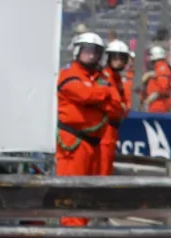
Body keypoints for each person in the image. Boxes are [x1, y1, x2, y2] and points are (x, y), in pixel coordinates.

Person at [56, 32, 120, 225]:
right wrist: (103, 95)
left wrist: (97, 98)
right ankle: (71, 234)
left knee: (87, 192)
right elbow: (84, 94)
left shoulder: (101, 77)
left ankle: (81, 231)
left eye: (95, 52)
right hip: (74, 142)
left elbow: (117, 107)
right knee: (72, 192)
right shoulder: (68, 74)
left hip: (94, 144)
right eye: (87, 51)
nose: (91, 55)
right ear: (77, 51)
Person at [99, 40, 134, 176]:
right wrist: (121, 107)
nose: (118, 61)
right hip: (104, 130)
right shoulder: (103, 77)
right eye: (115, 57)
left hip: (113, 129)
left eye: (121, 58)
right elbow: (111, 104)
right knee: (102, 168)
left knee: (107, 167)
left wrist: (122, 108)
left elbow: (125, 105)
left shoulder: (117, 79)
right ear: (109, 58)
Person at [142, 46, 171, 113]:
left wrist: (151, 98)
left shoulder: (162, 68)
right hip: (156, 103)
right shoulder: (159, 68)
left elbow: (163, 88)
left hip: (159, 104)